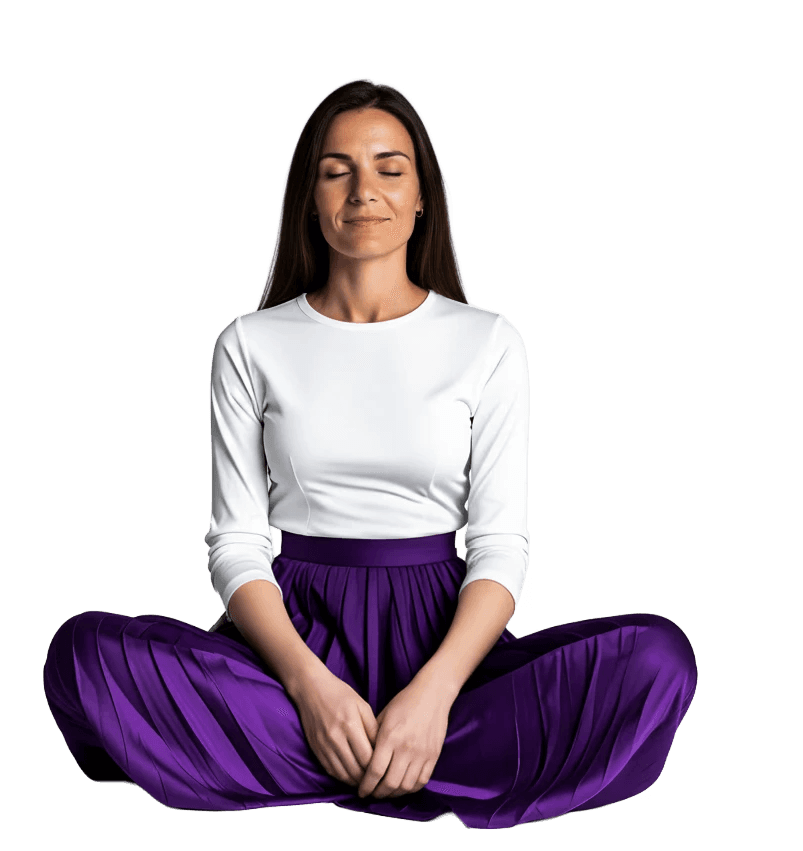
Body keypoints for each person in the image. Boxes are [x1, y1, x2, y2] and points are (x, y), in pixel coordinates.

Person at [42, 78, 698, 829]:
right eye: (336, 171)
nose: (364, 191)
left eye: (390, 169)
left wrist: (433, 694)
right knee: (83, 652)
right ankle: (400, 760)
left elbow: (498, 544)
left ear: (422, 198)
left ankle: (378, 749)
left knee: (657, 662)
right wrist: (308, 688)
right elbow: (237, 543)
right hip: (287, 641)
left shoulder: (486, 340)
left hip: (446, 643)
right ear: (309, 199)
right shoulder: (248, 343)